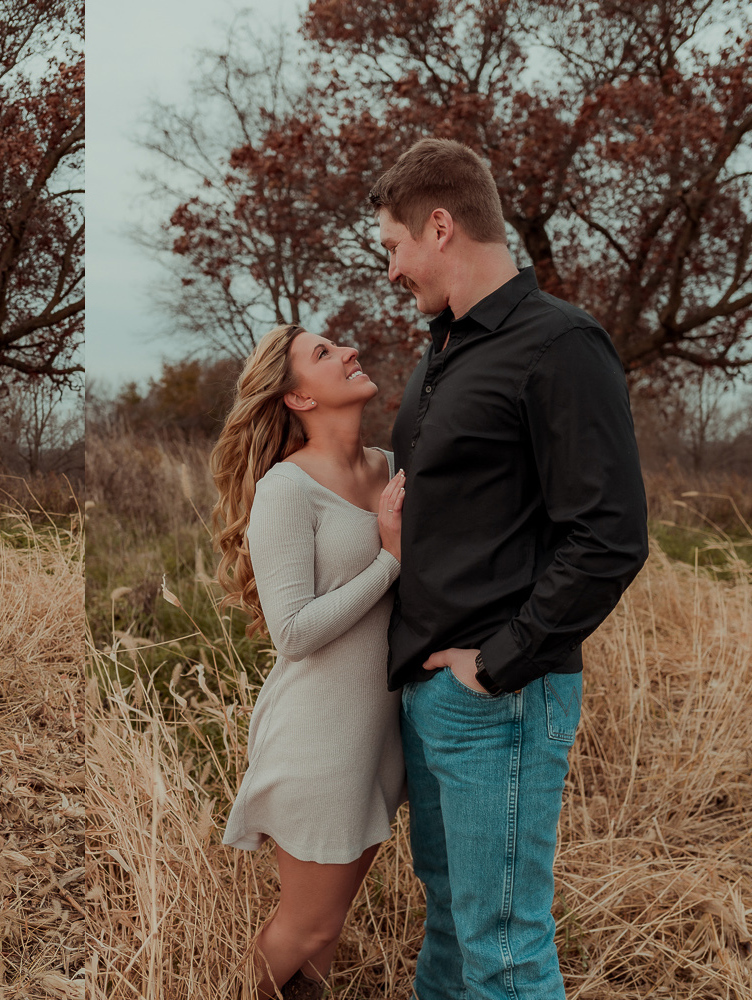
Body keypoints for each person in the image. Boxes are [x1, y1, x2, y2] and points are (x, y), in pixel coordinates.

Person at [372, 138, 649, 1000]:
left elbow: (609, 535)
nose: (389, 271)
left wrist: (495, 666)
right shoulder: (443, 348)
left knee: (503, 952)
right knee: (452, 934)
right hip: (431, 692)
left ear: (441, 226)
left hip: (500, 701)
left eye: (391, 246)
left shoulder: (560, 344)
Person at [211, 323, 408, 1000]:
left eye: (340, 345)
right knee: (307, 928)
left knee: (329, 933)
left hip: (382, 735)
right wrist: (389, 561)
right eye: (323, 353)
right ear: (296, 398)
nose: (350, 351)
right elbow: (292, 632)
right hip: (319, 738)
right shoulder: (286, 489)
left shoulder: (391, 468)